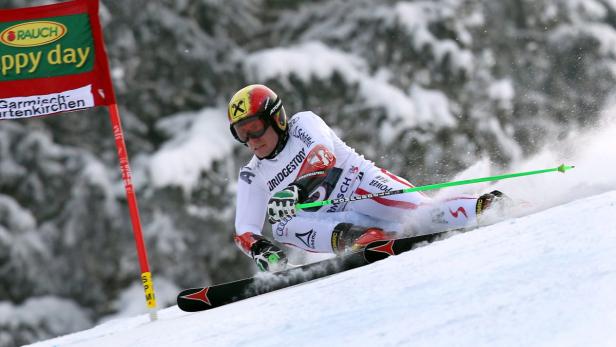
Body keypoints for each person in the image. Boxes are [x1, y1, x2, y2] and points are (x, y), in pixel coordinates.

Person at [228, 84, 508, 272]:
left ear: (276, 119)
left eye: (255, 128)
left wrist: (295, 191)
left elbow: (322, 157)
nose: (251, 140)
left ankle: (486, 206)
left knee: (421, 217)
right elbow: (245, 229)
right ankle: (360, 239)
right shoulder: (253, 174)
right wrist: (261, 250)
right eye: (242, 134)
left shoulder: (304, 124)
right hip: (337, 221)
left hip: (362, 186)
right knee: (280, 226)